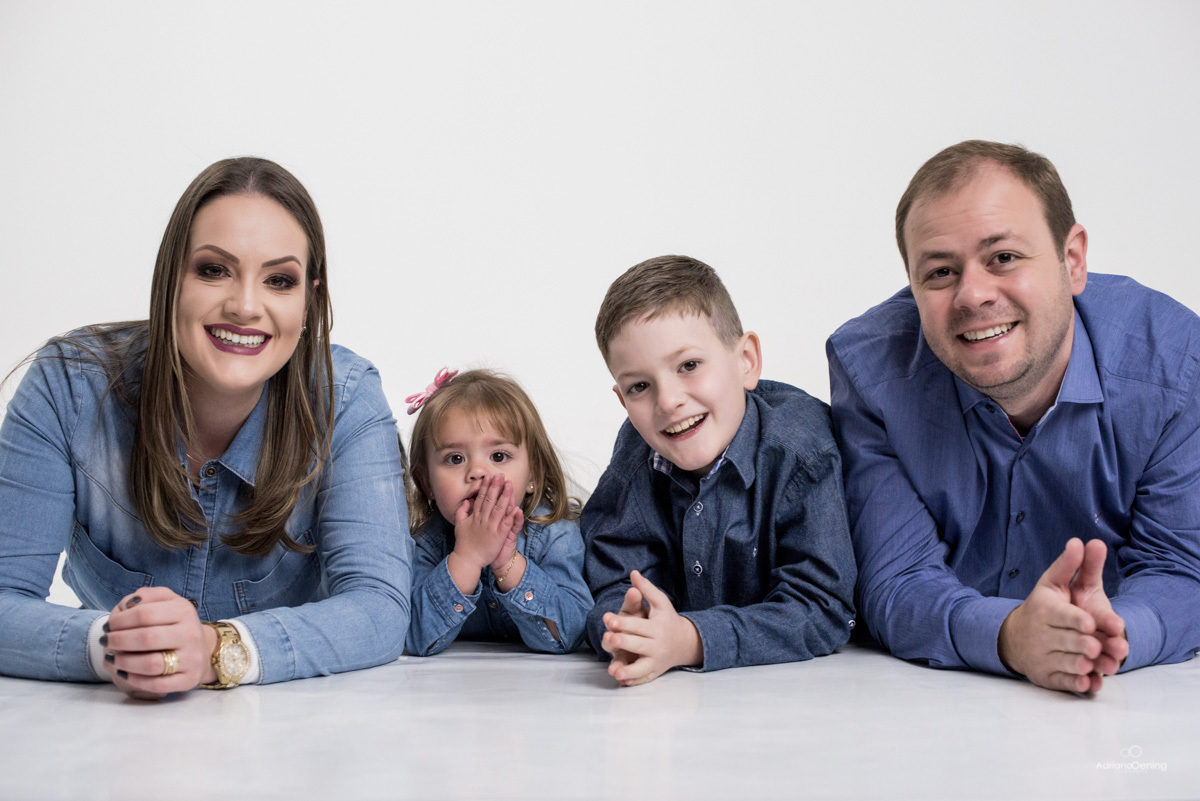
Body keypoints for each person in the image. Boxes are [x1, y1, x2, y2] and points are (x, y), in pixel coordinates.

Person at [0, 157, 413, 697]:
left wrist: (216, 650)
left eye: (279, 280)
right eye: (213, 269)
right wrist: (124, 648)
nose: (245, 306)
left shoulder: (347, 398)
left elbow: (379, 609)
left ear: (309, 299)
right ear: (171, 277)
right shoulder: (67, 386)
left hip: (291, 737)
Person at [827, 140, 1200, 694]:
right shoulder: (870, 371)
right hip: (931, 715)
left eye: (1003, 257)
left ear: (1072, 260)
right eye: (940, 272)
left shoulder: (1173, 363)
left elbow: (1183, 569)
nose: (973, 295)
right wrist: (1009, 637)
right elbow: (897, 579)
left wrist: (1108, 634)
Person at [583, 255, 856, 686]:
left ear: (746, 360)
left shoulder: (802, 452)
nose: (668, 400)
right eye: (640, 386)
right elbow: (613, 570)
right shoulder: (637, 451)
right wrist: (625, 624)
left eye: (688, 366)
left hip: (787, 703)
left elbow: (820, 609)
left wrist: (691, 639)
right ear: (622, 400)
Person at [405, 368, 592, 655]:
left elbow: (572, 632)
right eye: (455, 458)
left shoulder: (555, 534)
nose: (478, 471)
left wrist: (507, 563)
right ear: (426, 482)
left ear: (534, 475)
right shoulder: (426, 543)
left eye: (499, 456)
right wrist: (467, 558)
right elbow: (414, 638)